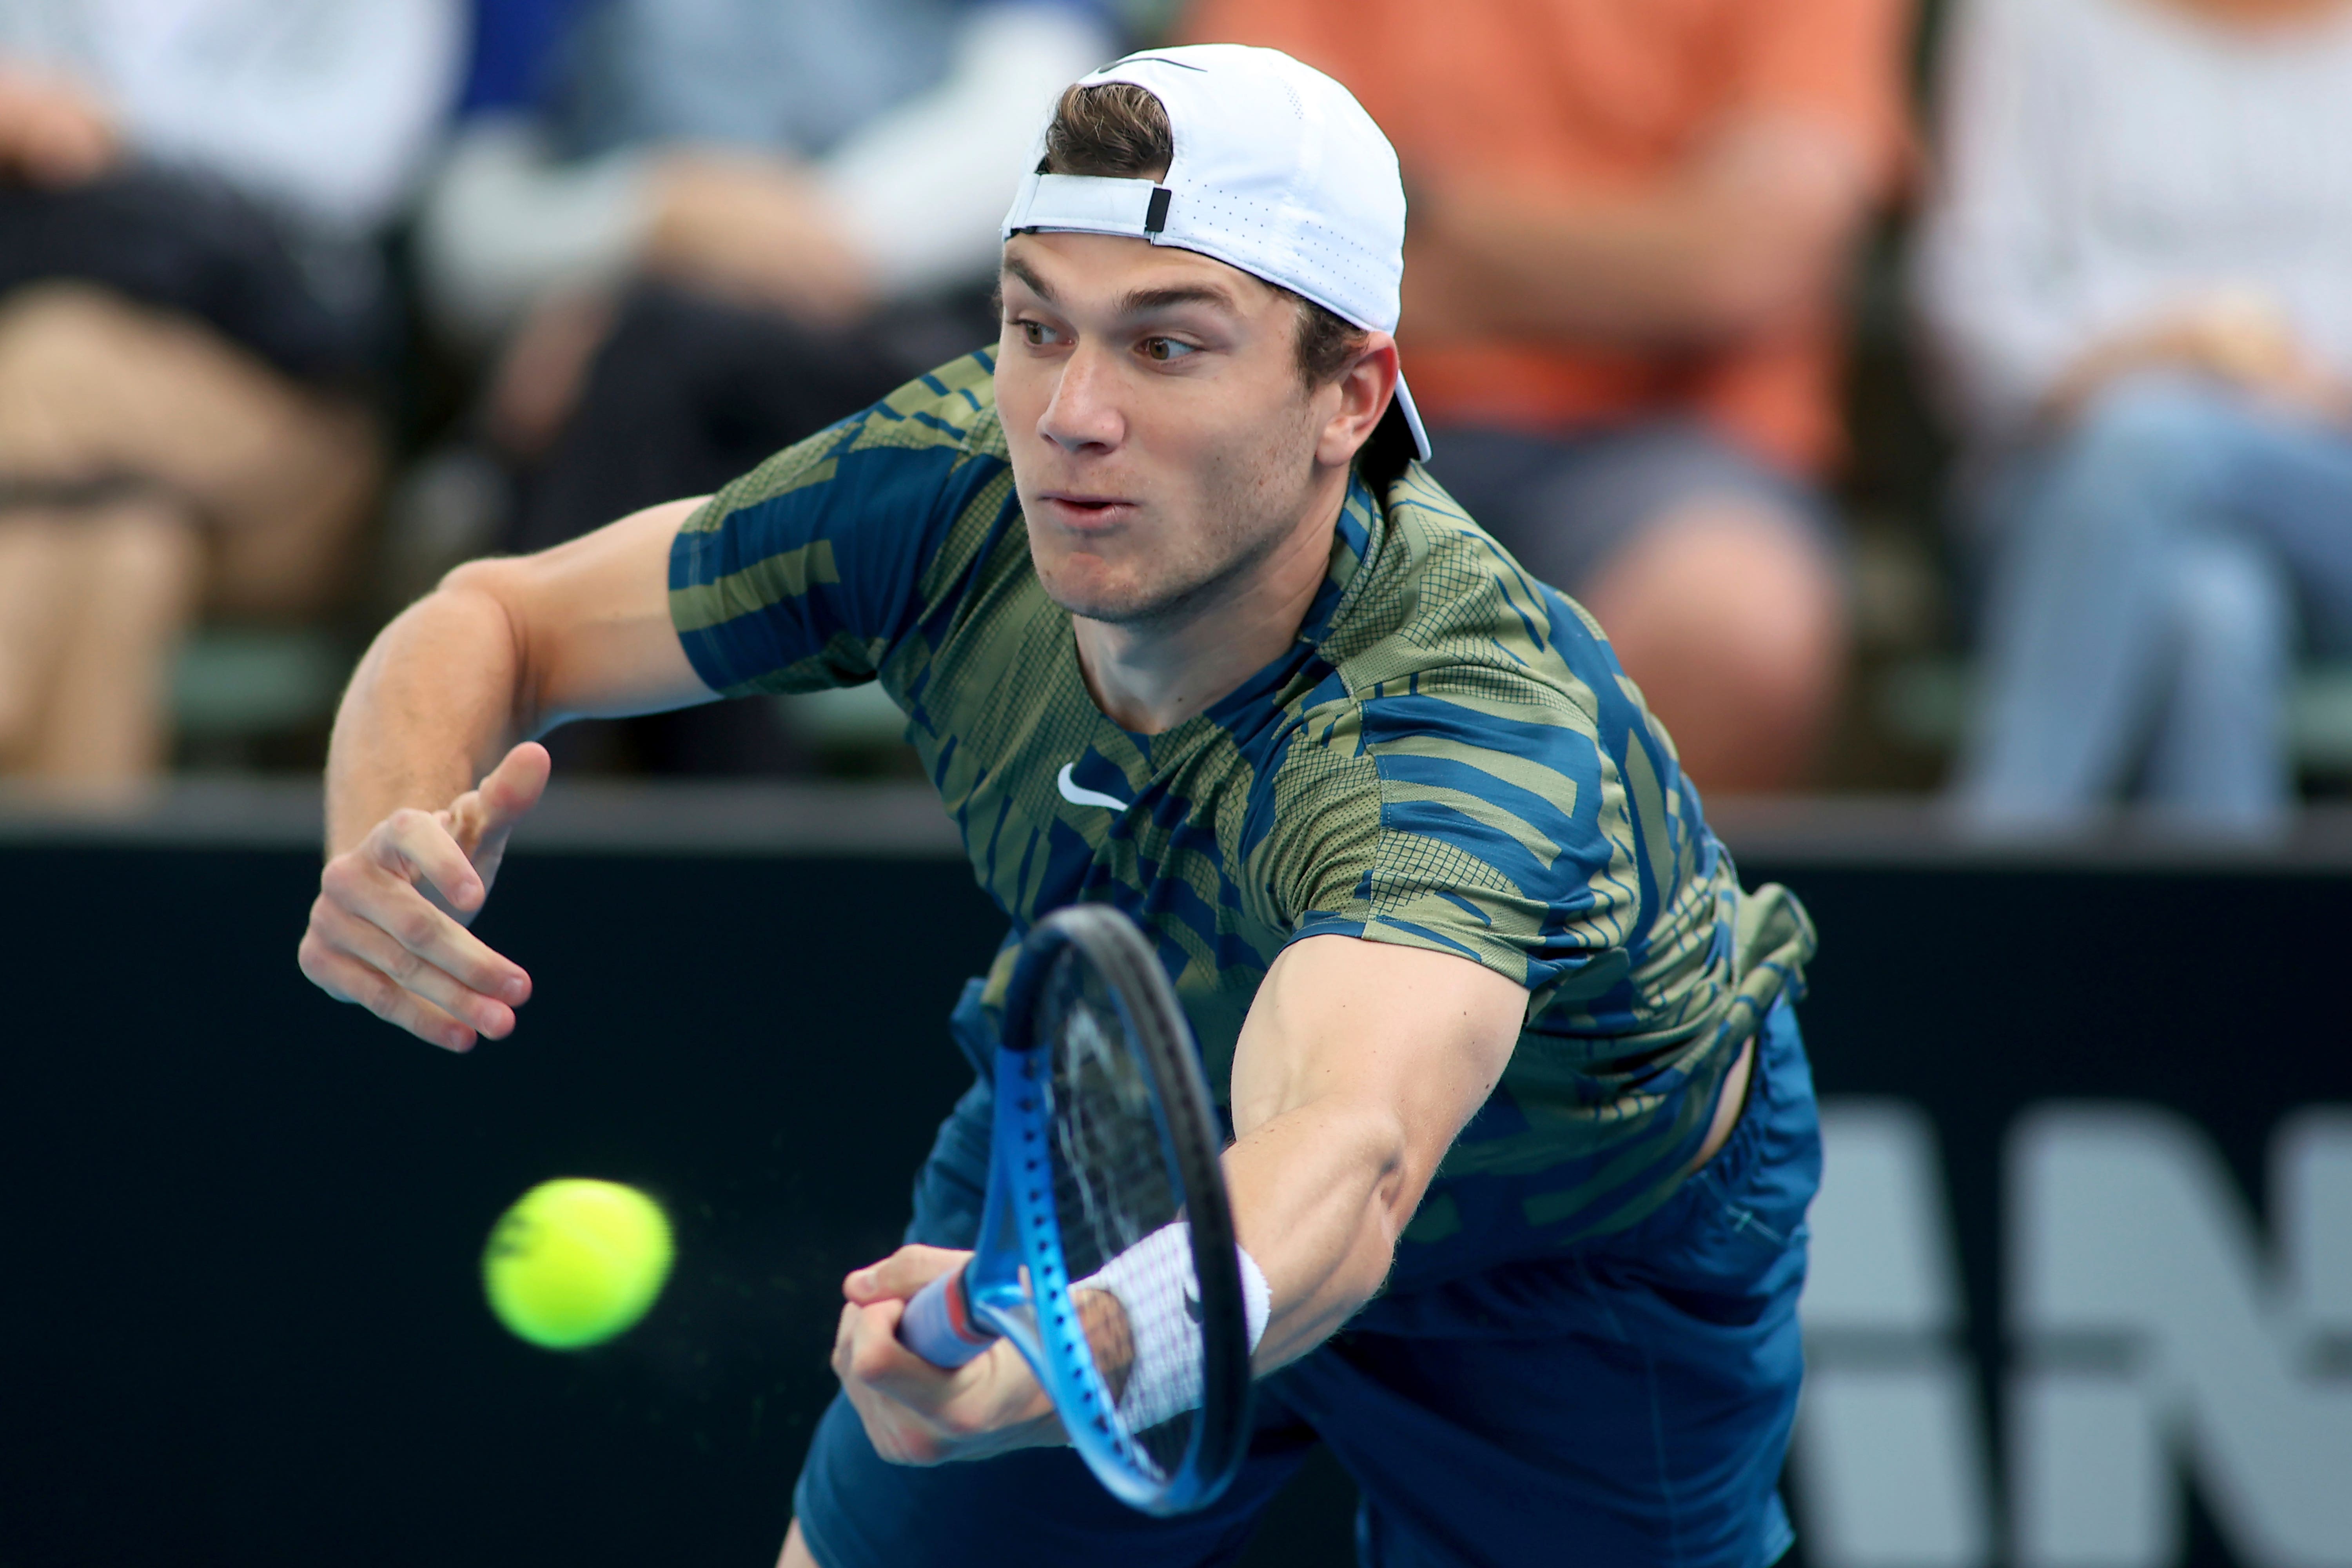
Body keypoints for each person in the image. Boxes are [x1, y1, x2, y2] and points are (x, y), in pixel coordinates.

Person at [299, 47, 1821, 1568]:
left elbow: (1350, 1156)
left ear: (1349, 395)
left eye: (1168, 348)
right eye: (1039, 326)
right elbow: (495, 621)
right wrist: (388, 834)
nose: (1072, 414)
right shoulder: (951, 481)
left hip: (1572, 1264)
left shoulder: (1460, 725)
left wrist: (1083, 1345)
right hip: (1125, 1124)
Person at [1182, 0, 1913, 793]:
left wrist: (1420, 220)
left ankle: (1616, 914)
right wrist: (1647, 259)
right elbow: (1235, 217)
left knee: (1731, 621)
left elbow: (1747, 260)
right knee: (1159, 572)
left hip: (1678, 443)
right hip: (1341, 410)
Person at [412, 0, 1117, 773]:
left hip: (936, 345)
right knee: (675, 416)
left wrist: (734, 251)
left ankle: (530, 822)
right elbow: (467, 232)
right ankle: (733, 849)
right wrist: (653, 220)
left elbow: (1043, 127)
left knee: (646, 369)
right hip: (650, 358)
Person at [0, 0, 463, 788]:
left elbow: (360, 159)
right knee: (125, 549)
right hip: (77, 458)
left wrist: (107, 125)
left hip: (292, 422)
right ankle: (80, 906)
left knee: (57, 361)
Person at [1915, 0, 2352, 832]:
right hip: (2060, 490)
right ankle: (2235, 955)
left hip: (2324, 492)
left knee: (2153, 435)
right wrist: (2167, 354)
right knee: (2211, 609)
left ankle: (1999, 845)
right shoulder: (2027, 21)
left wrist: (2290, 385)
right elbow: (1973, 315)